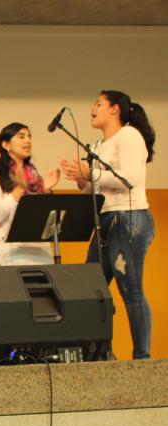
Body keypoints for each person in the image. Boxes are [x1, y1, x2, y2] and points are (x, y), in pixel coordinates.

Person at [59, 90, 156, 360]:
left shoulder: (129, 135)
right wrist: (81, 179)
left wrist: (89, 172)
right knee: (92, 290)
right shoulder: (99, 146)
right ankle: (100, 355)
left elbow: (130, 178)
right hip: (105, 219)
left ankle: (141, 357)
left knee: (131, 289)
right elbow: (95, 187)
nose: (93, 108)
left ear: (115, 109)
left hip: (130, 217)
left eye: (98, 103)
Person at [0, 123, 60, 265]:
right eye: (21, 137)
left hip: (40, 247)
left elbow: (43, 217)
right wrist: (19, 190)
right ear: (6, 144)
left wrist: (45, 190)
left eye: (29, 137)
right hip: (10, 249)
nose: (28, 141)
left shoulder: (35, 178)